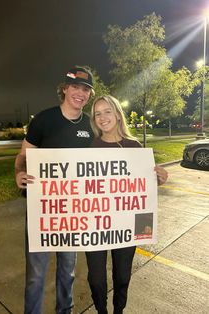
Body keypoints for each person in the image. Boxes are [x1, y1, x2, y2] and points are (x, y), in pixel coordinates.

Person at [14, 66, 95, 314]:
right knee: (36, 275)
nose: (80, 93)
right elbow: (23, 156)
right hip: (42, 210)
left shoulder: (91, 125)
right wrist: (18, 172)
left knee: (67, 270)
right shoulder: (44, 119)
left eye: (85, 89)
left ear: (89, 94)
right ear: (64, 89)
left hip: (73, 212)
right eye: (75, 87)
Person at [85, 95, 168, 314]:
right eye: (97, 113)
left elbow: (142, 192)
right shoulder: (88, 147)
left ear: (118, 115)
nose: (102, 117)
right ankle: (101, 311)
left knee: (122, 276)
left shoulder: (134, 146)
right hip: (95, 224)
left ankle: (118, 310)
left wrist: (157, 178)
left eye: (107, 111)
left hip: (126, 225)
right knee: (95, 279)